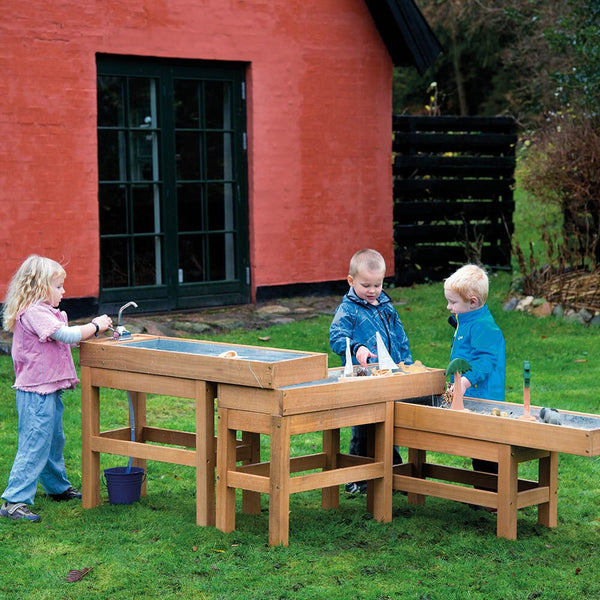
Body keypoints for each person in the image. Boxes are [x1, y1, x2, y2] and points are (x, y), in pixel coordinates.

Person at [0, 255, 113, 521]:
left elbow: (63, 341)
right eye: (59, 286)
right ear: (40, 287)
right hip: (35, 392)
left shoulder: (46, 313)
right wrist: (95, 325)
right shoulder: (35, 312)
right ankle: (14, 501)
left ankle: (57, 488)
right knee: (34, 444)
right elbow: (65, 335)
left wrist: (94, 333)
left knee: (53, 441)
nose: (64, 292)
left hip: (48, 390)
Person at [330, 249, 412, 494]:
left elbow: (400, 337)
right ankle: (358, 477)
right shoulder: (348, 310)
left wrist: (405, 362)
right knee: (365, 425)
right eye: (366, 284)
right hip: (364, 379)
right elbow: (336, 337)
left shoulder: (386, 306)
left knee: (390, 422)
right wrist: (356, 348)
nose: (372, 290)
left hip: (390, 375)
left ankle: (392, 471)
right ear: (351, 281)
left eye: (378, 284)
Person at [444, 263, 505, 506]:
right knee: (477, 447)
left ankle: (491, 496)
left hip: (484, 395)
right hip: (470, 394)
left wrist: (466, 381)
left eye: (453, 303)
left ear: (472, 302)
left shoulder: (483, 326)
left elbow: (486, 360)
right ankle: (482, 492)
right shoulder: (467, 320)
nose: (449, 307)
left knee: (488, 448)